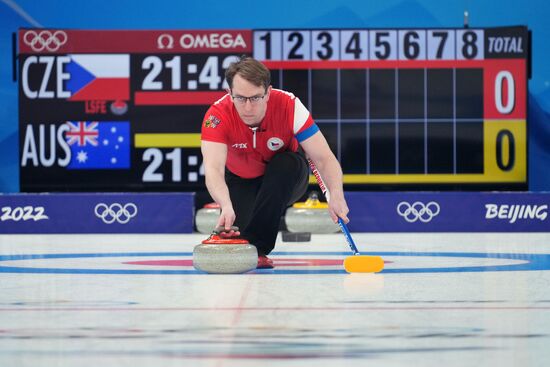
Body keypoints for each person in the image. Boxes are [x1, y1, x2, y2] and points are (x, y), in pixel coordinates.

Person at [200, 56, 349, 269]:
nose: (248, 107)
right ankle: (252, 242)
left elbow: (324, 158)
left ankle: (259, 249)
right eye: (241, 98)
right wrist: (225, 204)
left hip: (287, 178)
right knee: (239, 236)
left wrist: (337, 195)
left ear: (268, 92)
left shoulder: (290, 105)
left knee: (285, 164)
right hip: (242, 180)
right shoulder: (216, 116)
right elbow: (213, 169)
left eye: (256, 98)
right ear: (229, 93)